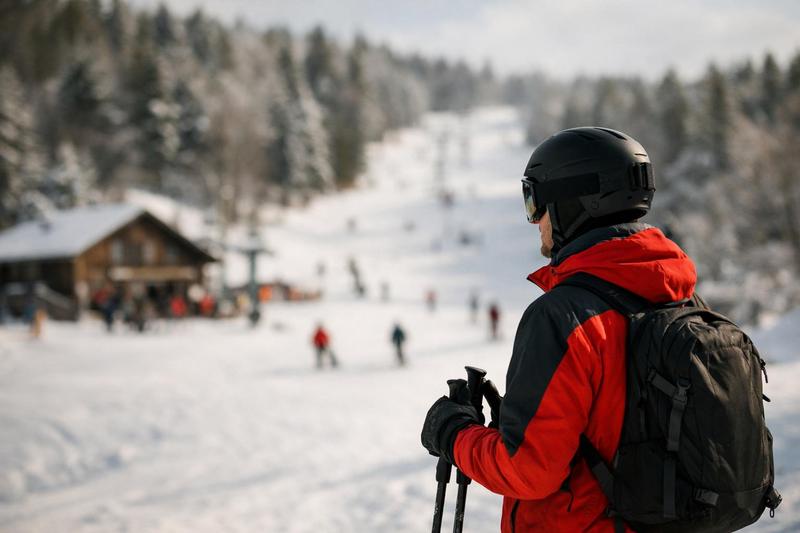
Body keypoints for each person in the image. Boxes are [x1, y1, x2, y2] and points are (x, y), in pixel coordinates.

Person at [421, 128, 692, 532]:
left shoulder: (564, 317)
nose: (535, 220)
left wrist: (453, 433)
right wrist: (522, 421)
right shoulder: (680, 297)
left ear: (572, 204)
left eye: (535, 202)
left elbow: (528, 470)